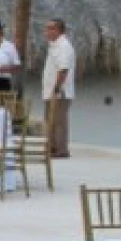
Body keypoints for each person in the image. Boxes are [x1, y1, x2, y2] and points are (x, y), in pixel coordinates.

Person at [40, 19, 76, 158]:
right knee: (51, 120)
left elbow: (63, 69)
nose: (48, 32)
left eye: (51, 28)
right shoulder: (54, 46)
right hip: (50, 91)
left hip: (60, 91)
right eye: (47, 28)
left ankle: (62, 150)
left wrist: (57, 88)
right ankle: (53, 147)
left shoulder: (64, 47)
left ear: (60, 30)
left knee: (59, 121)